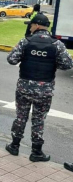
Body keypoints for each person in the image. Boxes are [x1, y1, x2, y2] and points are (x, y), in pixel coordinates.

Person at [6, 14, 73, 162]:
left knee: (21, 116)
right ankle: (36, 152)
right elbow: (67, 65)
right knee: (38, 119)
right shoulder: (57, 44)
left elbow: (11, 59)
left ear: (36, 25)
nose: (30, 27)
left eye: (31, 25)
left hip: (24, 87)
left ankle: (14, 146)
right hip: (44, 89)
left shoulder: (26, 41)